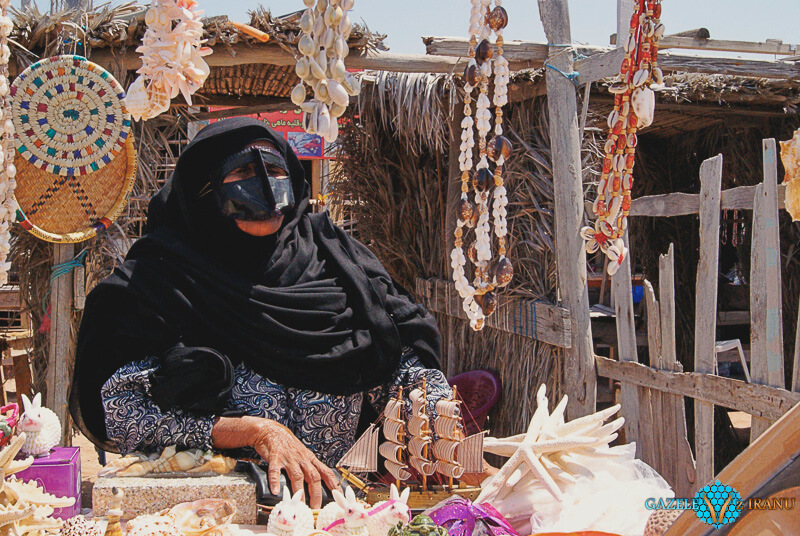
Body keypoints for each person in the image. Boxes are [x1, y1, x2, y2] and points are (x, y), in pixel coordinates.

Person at [69, 117, 465, 509]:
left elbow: (395, 349)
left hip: (338, 509)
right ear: (204, 188)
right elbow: (120, 411)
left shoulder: (334, 258)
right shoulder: (158, 279)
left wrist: (426, 398)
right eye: (241, 170)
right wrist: (251, 431)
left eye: (275, 169)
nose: (263, 182)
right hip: (212, 512)